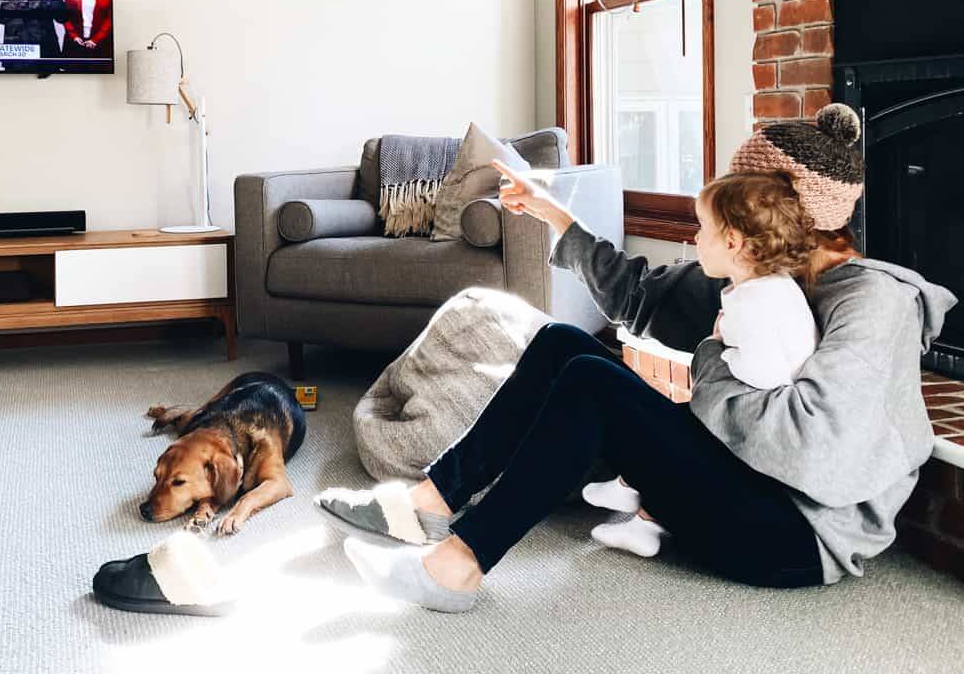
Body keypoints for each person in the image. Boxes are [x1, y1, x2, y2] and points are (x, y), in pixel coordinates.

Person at [315, 104, 956, 612]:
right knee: (564, 343)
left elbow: (819, 451)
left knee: (594, 383)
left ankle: (456, 569)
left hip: (800, 534)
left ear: (774, 210)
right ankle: (430, 500)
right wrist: (554, 217)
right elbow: (640, 297)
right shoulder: (756, 273)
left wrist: (706, 364)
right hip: (746, 489)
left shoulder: (873, 303)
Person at [583, 170, 820, 559]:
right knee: (682, 423)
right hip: (762, 423)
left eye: (701, 228)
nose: (694, 238)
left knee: (682, 430)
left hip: (762, 435)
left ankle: (635, 497)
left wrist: (718, 348)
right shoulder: (768, 288)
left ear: (732, 242)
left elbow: (758, 373)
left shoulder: (754, 303)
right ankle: (639, 510)